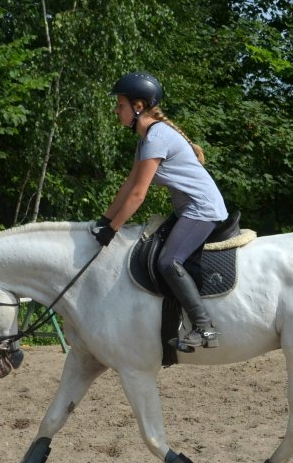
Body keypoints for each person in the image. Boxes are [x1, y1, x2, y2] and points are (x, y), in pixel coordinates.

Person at [90, 71, 228, 350]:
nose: (117, 111)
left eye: (120, 105)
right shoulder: (146, 138)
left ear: (138, 106)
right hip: (187, 208)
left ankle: (204, 327)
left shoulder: (156, 138)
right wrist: (104, 220)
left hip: (202, 209)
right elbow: (129, 184)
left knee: (168, 262)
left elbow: (139, 194)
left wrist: (113, 229)